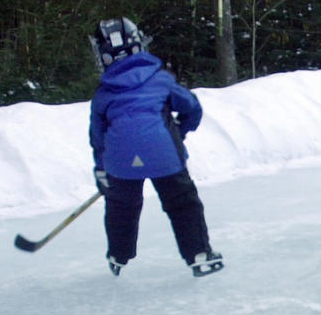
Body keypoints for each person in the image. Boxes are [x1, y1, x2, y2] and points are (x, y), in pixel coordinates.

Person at [89, 17, 223, 277]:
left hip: (120, 161)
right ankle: (198, 254)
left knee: (121, 207)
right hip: (163, 154)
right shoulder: (160, 79)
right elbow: (192, 108)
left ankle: (118, 257)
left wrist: (101, 170)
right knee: (183, 203)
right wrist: (177, 133)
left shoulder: (103, 94)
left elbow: (98, 138)